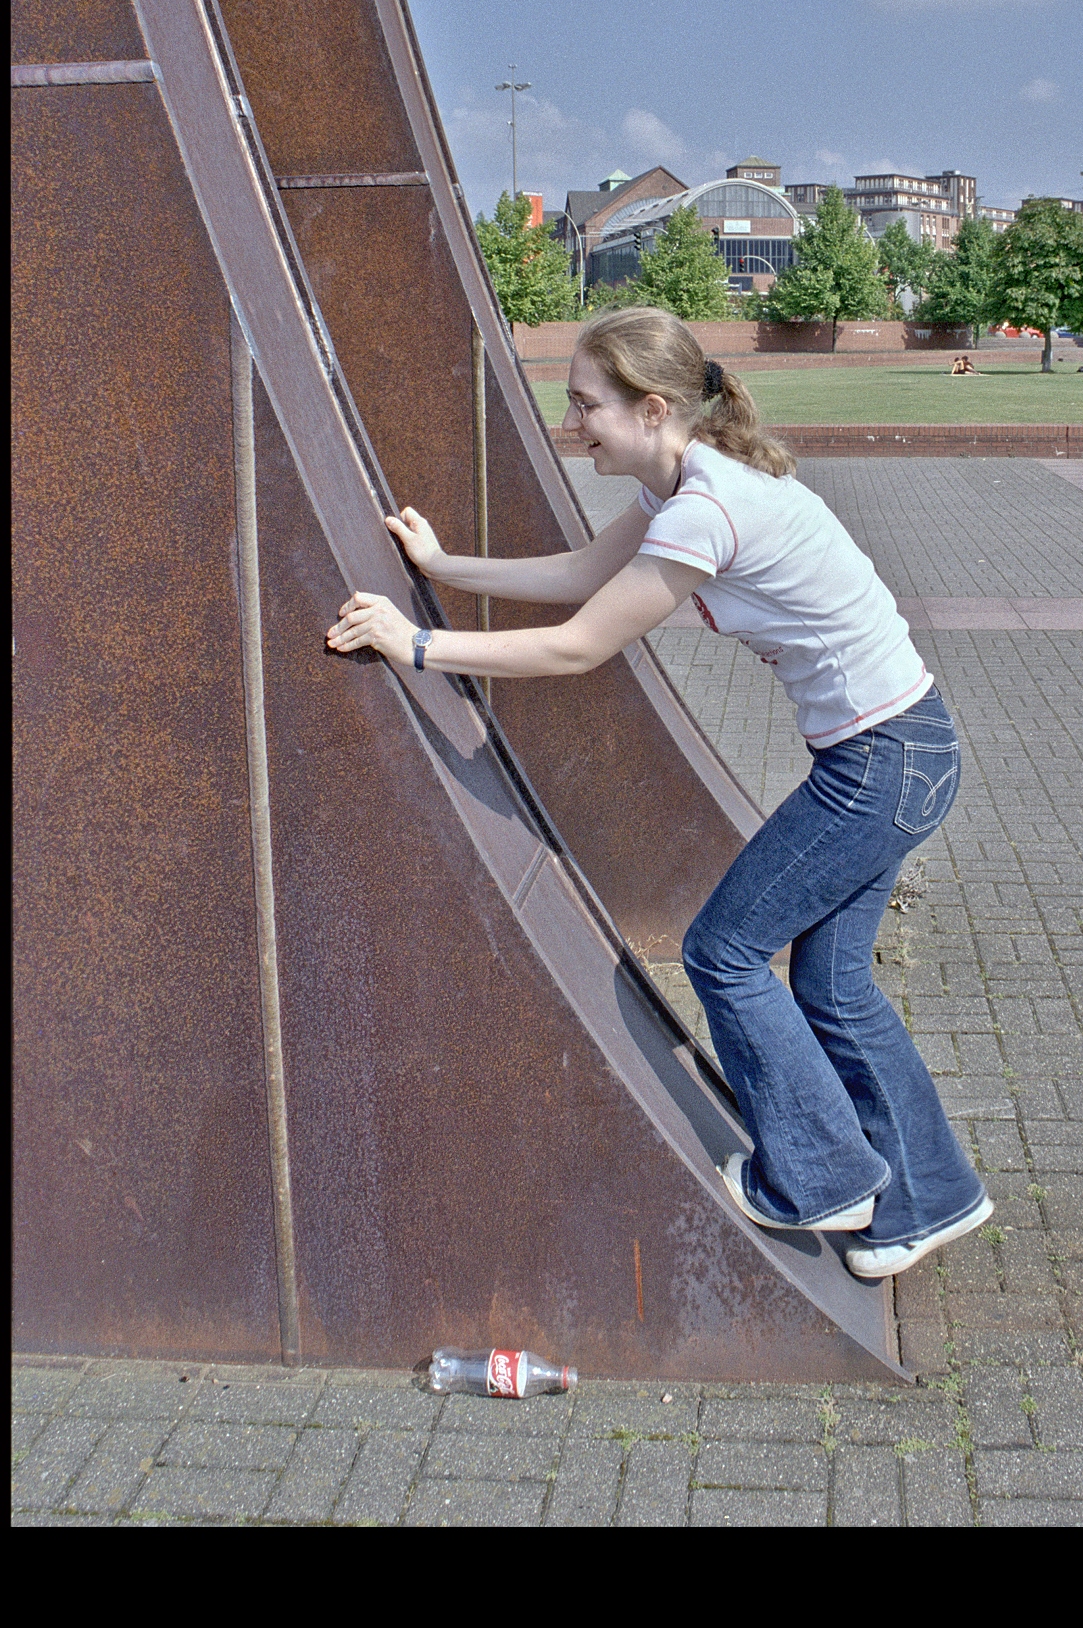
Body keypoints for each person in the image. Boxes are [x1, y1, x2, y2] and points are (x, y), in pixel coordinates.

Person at [326, 309, 990, 1279]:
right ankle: (931, 1199)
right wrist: (439, 570)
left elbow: (580, 644)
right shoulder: (687, 481)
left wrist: (415, 645)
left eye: (585, 404)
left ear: (651, 407)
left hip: (882, 764)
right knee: (831, 986)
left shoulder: (705, 510)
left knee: (723, 952)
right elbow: (581, 575)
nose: (571, 422)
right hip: (902, 753)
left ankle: (824, 1179)